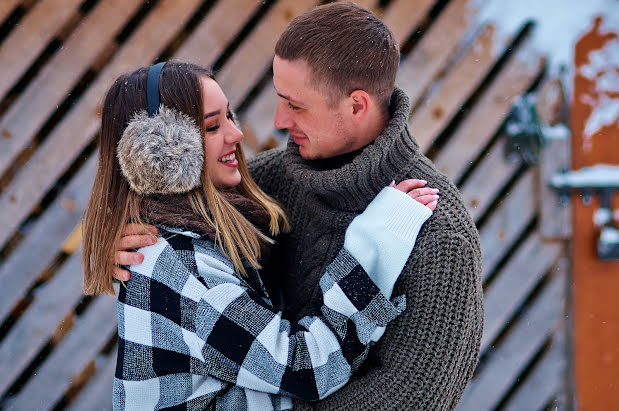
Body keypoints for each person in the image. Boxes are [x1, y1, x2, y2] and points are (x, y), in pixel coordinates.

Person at [115, 2, 484, 409]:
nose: (277, 120)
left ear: (356, 105)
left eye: (295, 104)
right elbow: (179, 223)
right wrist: (127, 236)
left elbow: (414, 396)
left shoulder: (438, 231)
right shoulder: (269, 182)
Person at [83, 61, 438, 409]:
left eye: (229, 116)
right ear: (157, 153)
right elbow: (307, 370)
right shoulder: (180, 264)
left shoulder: (197, 228)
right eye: (211, 127)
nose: (236, 135)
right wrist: (374, 245)